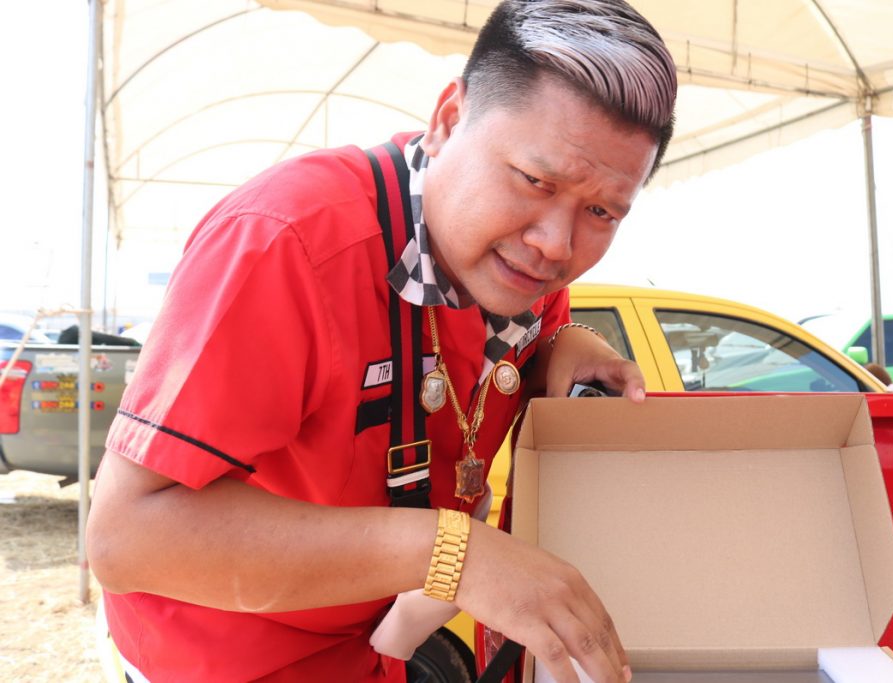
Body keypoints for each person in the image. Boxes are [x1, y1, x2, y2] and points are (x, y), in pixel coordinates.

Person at [86, 1, 677, 681]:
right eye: (535, 181)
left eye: (601, 211)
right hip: (220, 660)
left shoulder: (516, 266)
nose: (557, 244)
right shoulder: (287, 240)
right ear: (448, 119)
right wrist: (453, 552)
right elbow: (125, 538)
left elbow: (510, 347)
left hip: (373, 643)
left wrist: (568, 340)